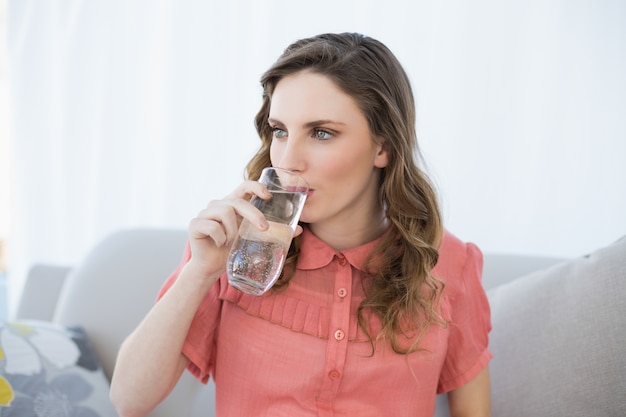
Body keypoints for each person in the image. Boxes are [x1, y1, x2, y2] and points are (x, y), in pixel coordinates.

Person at [110, 32, 492, 417]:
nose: (288, 160)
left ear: (383, 147)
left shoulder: (450, 265)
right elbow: (129, 400)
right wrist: (199, 272)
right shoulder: (232, 247)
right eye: (280, 130)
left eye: (321, 133)